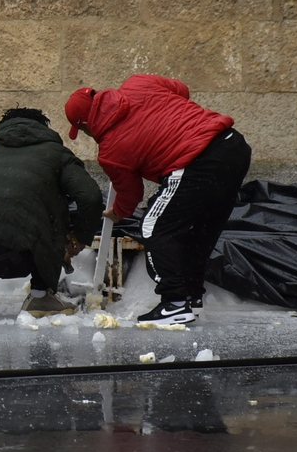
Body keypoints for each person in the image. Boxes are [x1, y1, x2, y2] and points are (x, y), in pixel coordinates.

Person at [65, 74, 251, 325]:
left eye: (83, 130)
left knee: (154, 228)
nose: (87, 134)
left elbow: (131, 194)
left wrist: (117, 212)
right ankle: (191, 298)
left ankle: (174, 304)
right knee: (198, 229)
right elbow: (182, 89)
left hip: (195, 161)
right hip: (233, 145)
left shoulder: (111, 150)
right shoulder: (138, 82)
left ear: (86, 123)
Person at [0, 107, 104, 318]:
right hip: (18, 254)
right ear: (42, 129)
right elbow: (90, 196)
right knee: (46, 211)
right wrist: (81, 235)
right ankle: (40, 297)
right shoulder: (57, 154)